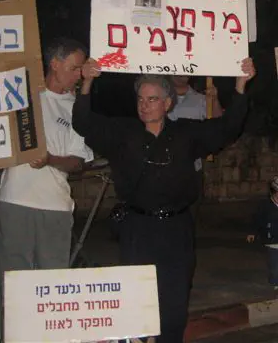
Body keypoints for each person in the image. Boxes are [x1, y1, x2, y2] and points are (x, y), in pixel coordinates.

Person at [72, 58, 255, 343]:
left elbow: (228, 127)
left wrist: (240, 86)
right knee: (138, 299)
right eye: (140, 99)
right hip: (138, 228)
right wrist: (87, 82)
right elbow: (83, 123)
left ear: (167, 104)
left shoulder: (186, 133)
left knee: (174, 299)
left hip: (176, 228)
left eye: (152, 99)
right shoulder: (123, 133)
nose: (144, 105)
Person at [0, 37, 93, 271]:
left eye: (81, 70)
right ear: (55, 64)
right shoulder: (21, 94)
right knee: (14, 277)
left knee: (53, 278)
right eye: (74, 68)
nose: (78, 75)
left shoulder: (76, 108)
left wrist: (49, 160)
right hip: (15, 200)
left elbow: (78, 162)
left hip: (55, 205)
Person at [168, 76, 223, 208]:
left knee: (191, 212)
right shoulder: (158, 98)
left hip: (191, 169)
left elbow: (218, 126)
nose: (182, 73)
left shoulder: (202, 99)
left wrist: (214, 100)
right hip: (163, 169)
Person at [247, 176, 278, 290]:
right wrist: (252, 232)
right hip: (272, 240)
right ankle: (275, 281)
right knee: (274, 263)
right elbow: (258, 220)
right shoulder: (265, 206)